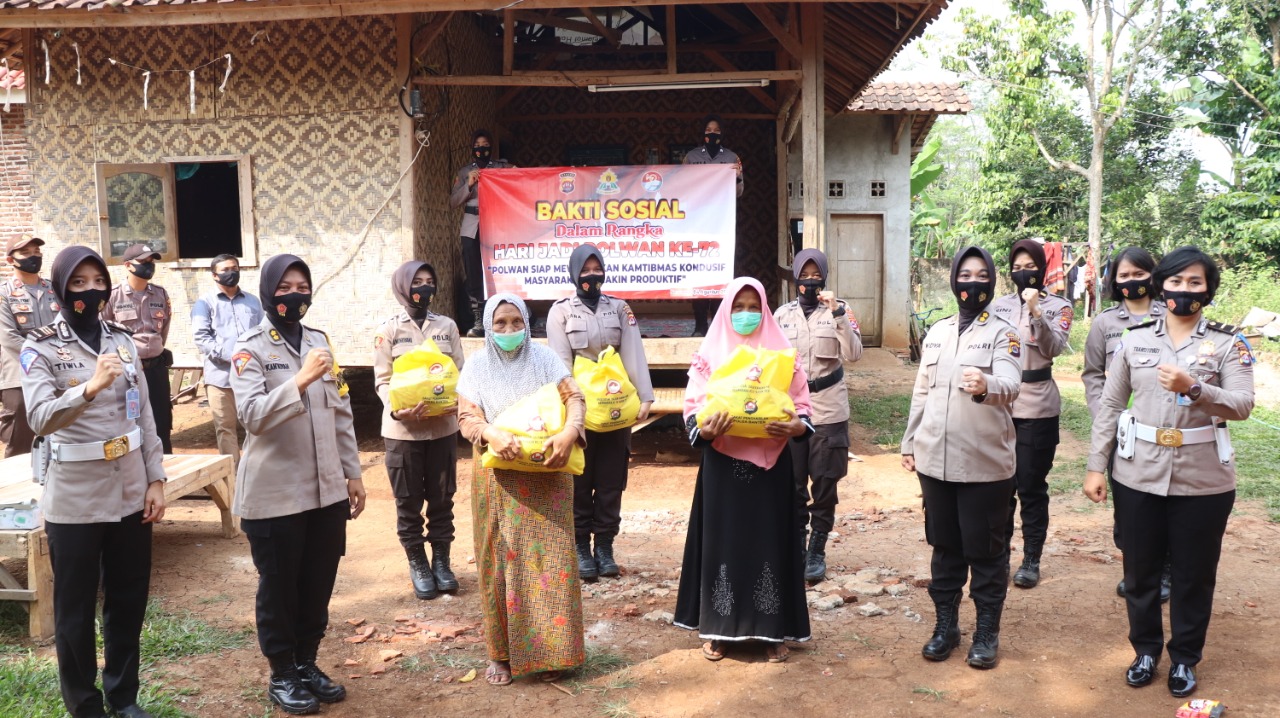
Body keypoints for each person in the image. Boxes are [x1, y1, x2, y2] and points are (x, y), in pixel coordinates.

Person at [1084, 246, 1254, 698]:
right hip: (1137, 474)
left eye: (1194, 282)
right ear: (1162, 286)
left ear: (1209, 289)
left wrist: (1195, 387)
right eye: (1176, 282)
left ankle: (1184, 659)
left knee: (1193, 574)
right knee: (1139, 572)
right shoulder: (1134, 339)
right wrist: (1096, 465)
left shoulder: (1227, 343)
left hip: (1204, 481)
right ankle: (1144, 651)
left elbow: (1242, 405)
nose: (1184, 290)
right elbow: (1111, 407)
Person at [22, 245, 168, 718]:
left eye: (97, 281)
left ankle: (123, 698)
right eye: (78, 283)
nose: (90, 290)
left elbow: (144, 414)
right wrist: (88, 388)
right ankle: (84, 706)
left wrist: (156, 478)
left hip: (130, 490)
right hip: (75, 497)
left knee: (127, 602)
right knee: (75, 611)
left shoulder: (121, 340)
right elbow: (41, 418)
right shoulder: (38, 346)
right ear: (61, 288)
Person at [230, 254, 366, 715]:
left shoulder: (320, 342)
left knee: (317, 581)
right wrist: (302, 380)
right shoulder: (249, 349)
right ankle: (282, 672)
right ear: (269, 292)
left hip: (325, 490)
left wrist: (353, 473)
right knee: (280, 585)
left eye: (302, 285)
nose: (295, 294)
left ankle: (307, 663)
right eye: (285, 286)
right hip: (275, 494)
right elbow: (250, 416)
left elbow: (341, 412)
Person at [674, 277, 813, 664]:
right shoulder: (711, 352)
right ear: (725, 310)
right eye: (739, 306)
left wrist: (796, 427)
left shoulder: (781, 352)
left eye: (754, 306)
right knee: (723, 543)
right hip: (723, 465)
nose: (746, 314)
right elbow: (692, 409)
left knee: (771, 542)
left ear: (765, 309)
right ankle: (719, 632)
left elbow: (803, 407)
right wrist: (702, 428)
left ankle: (773, 633)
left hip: (772, 469)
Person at [901, 246, 1022, 670]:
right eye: (965, 275)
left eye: (981, 275)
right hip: (935, 460)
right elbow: (922, 391)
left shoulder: (1005, 332)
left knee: (987, 553)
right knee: (945, 547)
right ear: (954, 281)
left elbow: (1011, 382)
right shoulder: (936, 331)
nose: (973, 283)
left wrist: (986, 383)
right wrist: (909, 441)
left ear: (992, 281)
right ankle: (946, 627)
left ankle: (986, 632)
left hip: (985, 465)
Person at [457, 294, 586, 686]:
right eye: (500, 324)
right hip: (498, 479)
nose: (510, 330)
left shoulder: (546, 360)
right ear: (488, 326)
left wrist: (569, 431)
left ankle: (553, 653)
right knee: (499, 562)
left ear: (528, 323)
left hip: (548, 473)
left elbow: (575, 399)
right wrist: (490, 433)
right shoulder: (477, 367)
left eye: (516, 322)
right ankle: (501, 655)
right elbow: (466, 417)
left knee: (551, 562)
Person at [546, 244, 654, 581]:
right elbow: (560, 363)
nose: (592, 276)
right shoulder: (561, 312)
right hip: (580, 409)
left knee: (611, 480)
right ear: (574, 273)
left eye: (597, 269)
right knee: (580, 477)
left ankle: (604, 546)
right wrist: (569, 405)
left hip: (616, 408)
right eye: (585, 270)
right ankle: (580, 546)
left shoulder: (620, 308)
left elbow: (633, 351)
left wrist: (645, 397)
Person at [1081, 247, 1169, 601]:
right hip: (1122, 430)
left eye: (1139, 274)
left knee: (1164, 499)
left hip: (1163, 426)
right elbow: (1092, 374)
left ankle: (1164, 570)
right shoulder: (1105, 323)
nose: (1132, 281)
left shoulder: (1170, 314)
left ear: (1152, 275)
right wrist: (1104, 415)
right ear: (1113, 281)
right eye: (1124, 276)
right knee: (1128, 504)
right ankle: (1136, 566)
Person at [374, 260, 465, 600]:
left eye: (430, 281)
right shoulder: (388, 330)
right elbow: (382, 381)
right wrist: (398, 410)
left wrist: (461, 401)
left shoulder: (448, 327)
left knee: (442, 499)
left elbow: (460, 371)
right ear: (402, 286)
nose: (424, 287)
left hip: (442, 429)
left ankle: (442, 561)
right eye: (418, 281)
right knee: (408, 502)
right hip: (403, 434)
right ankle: (418, 563)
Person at [775, 248, 863, 583]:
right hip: (794, 409)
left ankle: (818, 548)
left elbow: (854, 355)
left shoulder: (841, 310)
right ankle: (797, 545)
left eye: (816, 275)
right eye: (804, 275)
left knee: (825, 483)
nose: (809, 281)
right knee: (793, 483)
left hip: (829, 407)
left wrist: (838, 313)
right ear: (795, 277)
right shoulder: (781, 315)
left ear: (824, 278)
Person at [989, 239, 1072, 589]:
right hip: (998, 407)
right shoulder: (997, 306)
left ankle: (1031, 558)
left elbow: (1055, 348)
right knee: (999, 487)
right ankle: (1000, 556)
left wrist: (1037, 311)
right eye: (1018, 267)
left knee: (1030, 486)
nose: (1024, 273)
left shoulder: (1059, 306)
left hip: (1037, 406)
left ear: (1041, 267)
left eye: (1031, 266)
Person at [190, 254, 263, 470]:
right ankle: (234, 478)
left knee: (256, 424)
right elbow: (202, 338)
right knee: (225, 428)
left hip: (251, 376)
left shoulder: (253, 301)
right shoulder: (204, 303)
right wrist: (233, 357)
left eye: (234, 267)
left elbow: (262, 333)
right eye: (225, 270)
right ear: (214, 275)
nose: (231, 272)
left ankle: (255, 472)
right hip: (220, 378)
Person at [102, 244, 174, 453]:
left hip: (156, 369)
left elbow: (164, 330)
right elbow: (103, 333)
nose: (149, 266)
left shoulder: (160, 294)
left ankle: (164, 466)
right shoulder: (113, 296)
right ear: (127, 265)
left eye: (151, 262)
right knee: (131, 420)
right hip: (128, 372)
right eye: (143, 262)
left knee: (162, 419)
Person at [683, 114, 743, 337]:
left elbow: (739, 192)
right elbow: (681, 185)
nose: (712, 133)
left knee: (720, 274)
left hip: (722, 227)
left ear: (722, 133)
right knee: (699, 276)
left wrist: (736, 177)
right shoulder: (690, 158)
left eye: (716, 130)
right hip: (697, 225)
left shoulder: (732, 158)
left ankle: (717, 327)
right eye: (709, 129)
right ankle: (700, 326)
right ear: (703, 133)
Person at [450, 129, 514, 337]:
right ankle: (479, 319)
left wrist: (511, 172)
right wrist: (469, 183)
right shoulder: (464, 172)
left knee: (498, 270)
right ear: (472, 148)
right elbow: (452, 202)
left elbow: (520, 178)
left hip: (496, 224)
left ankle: (504, 315)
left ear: (491, 147)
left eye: (485, 144)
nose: (481, 148)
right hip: (471, 225)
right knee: (474, 271)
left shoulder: (500, 167)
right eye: (478, 144)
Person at [1, 235, 59, 457]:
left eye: (36, 251)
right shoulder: (4, 293)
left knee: (60, 438)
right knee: (20, 443)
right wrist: (44, 358)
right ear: (10, 260)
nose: (33, 256)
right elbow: (8, 338)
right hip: (19, 375)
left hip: (57, 373)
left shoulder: (56, 290)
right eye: (25, 253)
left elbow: (67, 330)